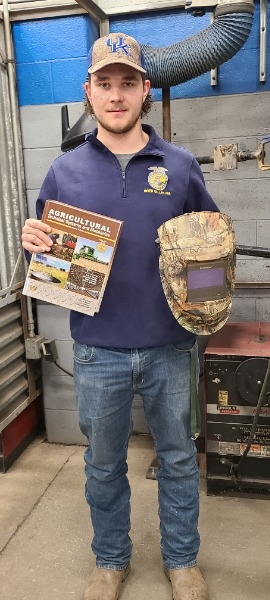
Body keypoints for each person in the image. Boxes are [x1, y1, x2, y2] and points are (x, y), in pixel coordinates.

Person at [22, 32, 219, 600]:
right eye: (104, 84)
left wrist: (201, 301)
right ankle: (110, 560)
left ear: (144, 90)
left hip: (171, 345)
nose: (116, 95)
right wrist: (33, 239)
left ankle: (182, 562)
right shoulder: (65, 171)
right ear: (88, 92)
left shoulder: (179, 167)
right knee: (103, 465)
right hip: (97, 347)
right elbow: (48, 246)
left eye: (126, 83)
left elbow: (209, 251)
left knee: (179, 460)